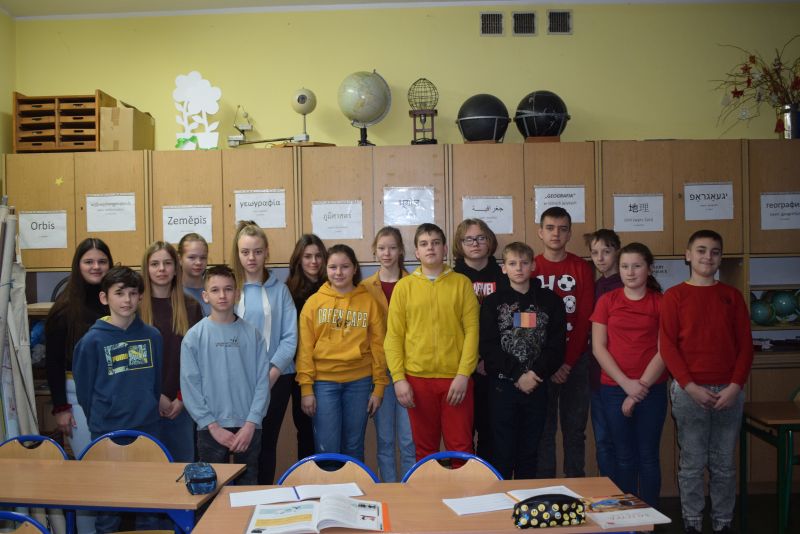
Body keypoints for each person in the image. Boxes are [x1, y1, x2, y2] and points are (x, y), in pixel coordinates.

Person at [660, 230, 753, 534]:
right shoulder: (674, 296)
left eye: (715, 252)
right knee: (692, 462)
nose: (708, 257)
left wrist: (735, 387)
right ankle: (692, 520)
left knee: (724, 463)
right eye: (701, 250)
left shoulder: (732, 296)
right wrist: (690, 386)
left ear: (721, 258)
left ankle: (723, 521)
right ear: (688, 255)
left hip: (729, 391)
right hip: (689, 392)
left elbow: (745, 346)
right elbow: (668, 347)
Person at [72, 266, 162, 534]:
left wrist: (146, 408)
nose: (127, 300)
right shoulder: (91, 341)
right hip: (107, 433)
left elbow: (155, 383)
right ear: (104, 298)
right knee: (108, 508)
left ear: (140, 297)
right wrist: (102, 420)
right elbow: (84, 392)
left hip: (147, 431)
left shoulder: (152, 336)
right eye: (119, 293)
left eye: (133, 293)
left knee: (149, 505)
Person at [385, 223, 479, 462]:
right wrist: (398, 378)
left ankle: (464, 489)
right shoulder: (404, 287)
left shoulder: (462, 284)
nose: (430, 248)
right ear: (416, 252)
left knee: (461, 448)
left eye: (436, 243)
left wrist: (463, 374)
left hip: (455, 380)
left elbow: (472, 332)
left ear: (445, 248)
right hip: (417, 380)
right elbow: (393, 336)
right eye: (424, 244)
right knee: (425, 452)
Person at [480, 242, 565, 479]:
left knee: (530, 452)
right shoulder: (492, 303)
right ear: (504, 268)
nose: (519, 268)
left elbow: (556, 346)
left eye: (524, 263)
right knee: (502, 451)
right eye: (512, 263)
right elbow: (488, 346)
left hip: (537, 386)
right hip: (502, 387)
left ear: (533, 266)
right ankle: (502, 500)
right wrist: (517, 374)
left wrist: (534, 375)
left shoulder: (551, 301)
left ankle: (526, 500)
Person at [590, 242, 666, 508]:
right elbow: (598, 348)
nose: (630, 272)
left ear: (649, 269)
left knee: (648, 456)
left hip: (652, 390)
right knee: (623, 457)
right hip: (613, 389)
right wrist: (625, 385)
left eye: (637, 266)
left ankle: (649, 518)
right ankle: (626, 517)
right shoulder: (606, 301)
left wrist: (638, 390)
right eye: (624, 266)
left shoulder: (661, 303)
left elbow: (665, 351)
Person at [44, 238, 112, 534]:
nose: (96, 267)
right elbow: (53, 363)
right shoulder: (64, 309)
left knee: (113, 473)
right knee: (89, 471)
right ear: (78, 265)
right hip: (77, 398)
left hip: (111, 396)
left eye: (102, 261)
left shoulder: (115, 300)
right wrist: (61, 407)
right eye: (89, 261)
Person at [180, 264, 271, 485]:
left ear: (237, 294)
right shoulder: (194, 337)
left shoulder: (253, 335)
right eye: (215, 290)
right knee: (210, 489)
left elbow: (262, 382)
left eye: (228, 289)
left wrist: (251, 423)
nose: (222, 295)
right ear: (205, 296)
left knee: (247, 487)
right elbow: (190, 386)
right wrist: (211, 425)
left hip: (248, 427)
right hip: (211, 427)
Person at [296, 244, 388, 461]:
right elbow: (305, 349)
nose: (338, 272)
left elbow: (378, 347)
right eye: (333, 267)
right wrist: (306, 389)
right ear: (325, 269)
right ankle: (330, 485)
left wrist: (379, 387)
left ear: (354, 268)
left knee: (353, 446)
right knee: (327, 450)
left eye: (345, 267)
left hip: (359, 382)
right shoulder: (314, 303)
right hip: (323, 383)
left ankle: (353, 485)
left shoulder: (369, 302)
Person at [231, 220, 298, 484]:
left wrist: (271, 374)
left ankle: (263, 497)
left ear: (266, 252)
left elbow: (290, 338)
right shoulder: (230, 290)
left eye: (257, 251)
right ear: (237, 253)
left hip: (276, 379)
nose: (251, 258)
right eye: (245, 252)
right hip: (238, 381)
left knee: (266, 444)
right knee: (240, 445)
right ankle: (238, 500)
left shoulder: (280, 291)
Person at [533, 206, 594, 478]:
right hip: (541, 362)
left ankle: (576, 489)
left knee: (574, 430)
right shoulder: (531, 267)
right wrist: (547, 361)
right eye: (550, 228)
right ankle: (546, 490)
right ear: (540, 232)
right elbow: (527, 320)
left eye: (562, 229)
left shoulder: (581, 268)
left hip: (576, 362)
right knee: (543, 431)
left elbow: (584, 319)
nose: (555, 234)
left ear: (570, 234)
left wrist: (567, 362)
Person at [140, 241, 203, 463]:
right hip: (145, 406)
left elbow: (199, 360)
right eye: (155, 264)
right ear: (146, 269)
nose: (161, 269)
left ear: (176, 268)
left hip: (181, 406)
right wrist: (155, 396)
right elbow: (133, 363)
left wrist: (182, 398)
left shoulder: (191, 306)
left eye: (167, 263)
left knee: (182, 470)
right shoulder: (134, 308)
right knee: (148, 473)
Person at [361, 226, 415, 482]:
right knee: (384, 441)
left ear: (401, 250)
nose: (387, 253)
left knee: (408, 440)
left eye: (392, 248)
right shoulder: (364, 288)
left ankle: (410, 492)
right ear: (374, 251)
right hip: (379, 373)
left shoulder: (414, 284)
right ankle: (390, 492)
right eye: (381, 248)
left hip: (408, 371)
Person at [452, 218, 509, 461]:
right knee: (462, 433)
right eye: (468, 239)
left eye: (480, 238)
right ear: (459, 244)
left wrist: (489, 358)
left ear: (490, 241)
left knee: (491, 431)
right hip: (460, 367)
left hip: (494, 367)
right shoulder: (452, 277)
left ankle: (487, 479)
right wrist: (470, 360)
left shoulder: (504, 276)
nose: (475, 244)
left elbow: (510, 322)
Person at [283, 234, 327, 464]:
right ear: (298, 259)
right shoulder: (288, 292)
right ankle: (307, 479)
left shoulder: (334, 287)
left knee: (329, 434)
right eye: (308, 256)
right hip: (300, 373)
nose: (314, 261)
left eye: (318, 256)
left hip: (330, 371)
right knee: (306, 431)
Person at [584, 229, 623, 480]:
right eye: (595, 252)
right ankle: (611, 493)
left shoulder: (627, 283)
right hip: (597, 376)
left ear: (617, 252)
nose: (600, 258)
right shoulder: (596, 285)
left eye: (606, 252)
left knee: (622, 443)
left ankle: (626, 494)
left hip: (623, 375)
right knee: (604, 442)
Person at [178, 232, 210, 316]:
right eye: (192, 257)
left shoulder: (215, 291)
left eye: (203, 258)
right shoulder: (172, 292)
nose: (198, 262)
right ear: (180, 259)